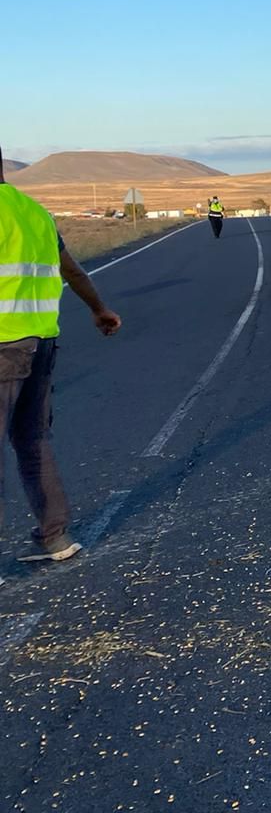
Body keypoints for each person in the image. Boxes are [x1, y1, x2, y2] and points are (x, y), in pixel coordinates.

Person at [0, 154, 121, 577]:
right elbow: (70, 270)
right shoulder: (35, 214)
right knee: (32, 441)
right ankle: (56, 537)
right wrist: (99, 309)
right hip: (41, 341)